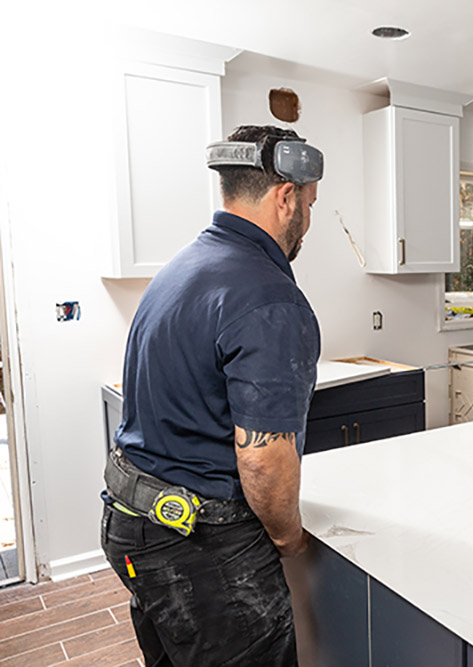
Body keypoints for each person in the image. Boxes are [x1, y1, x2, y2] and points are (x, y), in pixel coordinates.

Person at [101, 124, 324, 665]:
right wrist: (291, 541)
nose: (309, 223)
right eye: (310, 203)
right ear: (286, 197)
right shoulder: (271, 298)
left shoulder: (182, 269)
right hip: (199, 547)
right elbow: (264, 461)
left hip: (133, 521)